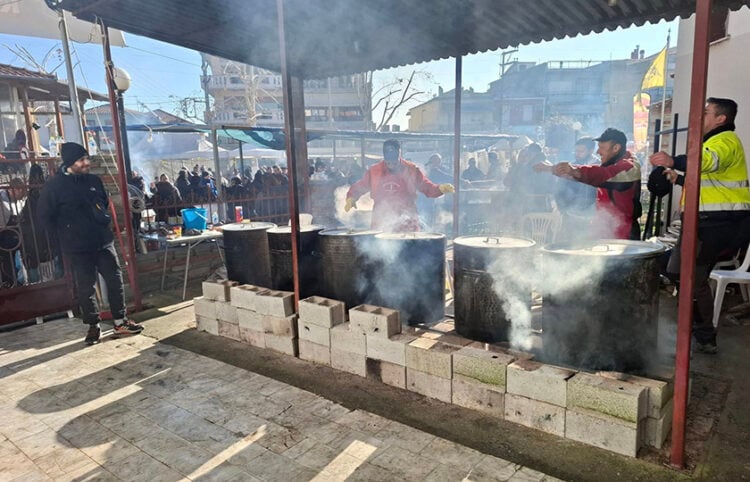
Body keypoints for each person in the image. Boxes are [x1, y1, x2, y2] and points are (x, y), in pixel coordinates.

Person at [650, 97, 750, 355]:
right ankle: (699, 330)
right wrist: (679, 178)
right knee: (678, 271)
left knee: (690, 276)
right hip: (701, 221)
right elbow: (708, 183)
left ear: (721, 119)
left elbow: (707, 162)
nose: (699, 118)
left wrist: (674, 161)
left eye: (705, 113)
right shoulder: (711, 142)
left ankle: (703, 336)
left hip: (716, 225)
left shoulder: (725, 141)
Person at [38, 142, 143, 345]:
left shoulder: (94, 180)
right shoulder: (54, 186)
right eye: (81, 160)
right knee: (86, 287)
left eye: (87, 158)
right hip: (78, 247)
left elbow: (103, 202)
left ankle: (120, 322)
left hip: (103, 242)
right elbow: (44, 217)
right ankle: (93, 326)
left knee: (115, 280)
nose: (87, 163)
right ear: (70, 163)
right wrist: (62, 238)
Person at [535, 129, 641, 239]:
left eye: (602, 148)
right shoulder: (611, 164)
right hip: (603, 226)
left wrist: (573, 170)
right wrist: (554, 169)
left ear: (616, 148)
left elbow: (601, 175)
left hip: (623, 230)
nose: (598, 152)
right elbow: (585, 177)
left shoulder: (629, 166)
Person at [345, 139, 454, 232]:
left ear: (399, 156)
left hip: (407, 220)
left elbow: (426, 186)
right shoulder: (374, 171)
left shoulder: (411, 170)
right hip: (381, 221)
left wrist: (439, 189)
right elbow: (361, 186)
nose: (391, 165)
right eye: (388, 163)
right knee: (380, 253)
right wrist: (351, 197)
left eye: (394, 162)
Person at [553, 137, 599, 238]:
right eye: (576, 151)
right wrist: (563, 208)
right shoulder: (570, 167)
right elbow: (559, 189)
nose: (577, 153)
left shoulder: (599, 167)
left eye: (581, 151)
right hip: (569, 214)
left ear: (591, 151)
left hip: (590, 216)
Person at [0, 178, 26, 287]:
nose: (20, 196)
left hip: (16, 234)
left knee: (19, 259)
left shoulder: (20, 200)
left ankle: (18, 282)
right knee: (6, 261)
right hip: (3, 235)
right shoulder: (2, 198)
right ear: (13, 190)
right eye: (19, 192)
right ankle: (9, 282)